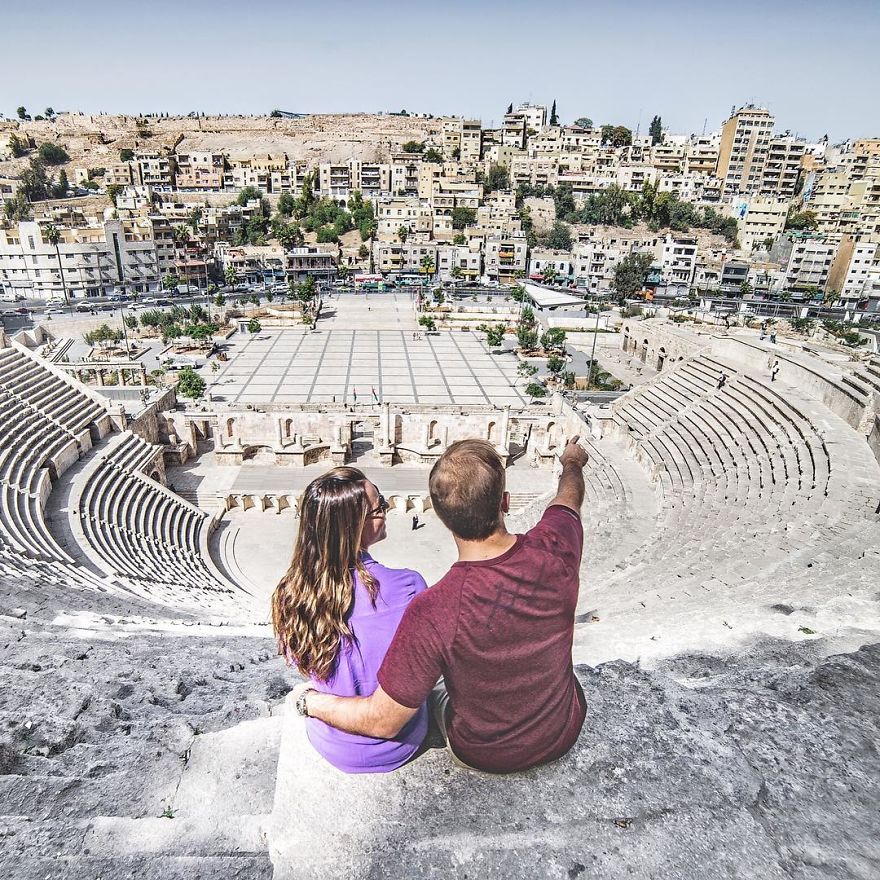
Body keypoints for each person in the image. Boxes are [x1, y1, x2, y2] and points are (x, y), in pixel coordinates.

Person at [295, 437, 589, 774]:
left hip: (485, 753)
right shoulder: (556, 545)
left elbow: (385, 721)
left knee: (435, 687)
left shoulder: (433, 608)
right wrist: (571, 463)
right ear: (504, 502)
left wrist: (310, 702)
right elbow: (568, 499)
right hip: (563, 729)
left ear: (442, 516)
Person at [273, 467, 428, 773]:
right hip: (403, 741)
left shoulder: (290, 596)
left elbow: (299, 658)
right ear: (355, 526)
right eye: (379, 506)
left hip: (333, 742)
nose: (386, 509)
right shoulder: (410, 587)